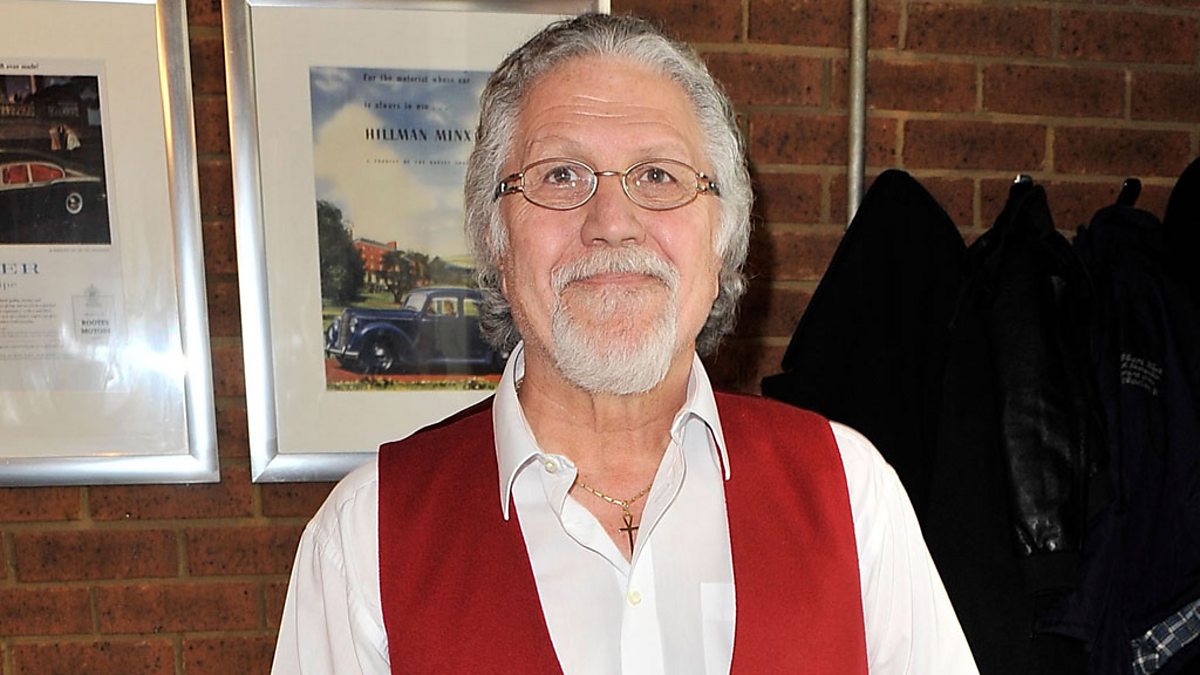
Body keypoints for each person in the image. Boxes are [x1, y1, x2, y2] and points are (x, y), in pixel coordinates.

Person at [273, 13, 977, 674]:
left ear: (723, 239)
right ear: (495, 240)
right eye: (560, 175)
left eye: (658, 176)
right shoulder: (362, 542)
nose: (612, 222)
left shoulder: (853, 495)